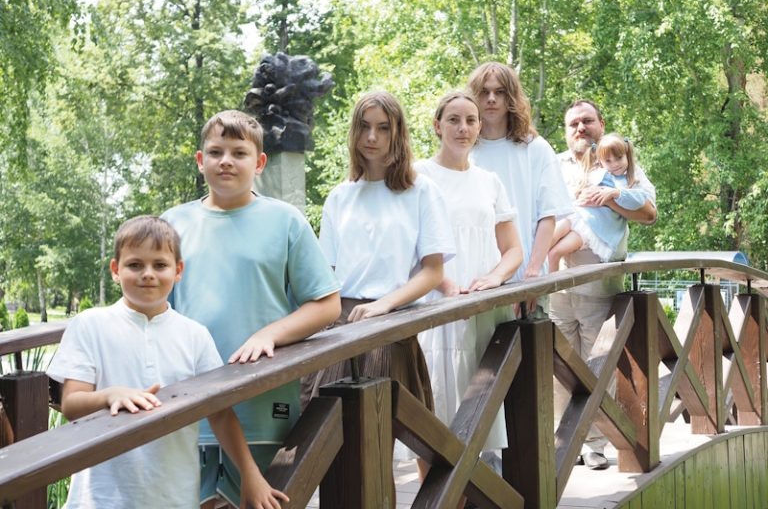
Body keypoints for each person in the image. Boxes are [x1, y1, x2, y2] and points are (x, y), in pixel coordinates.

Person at [162, 110, 341, 508]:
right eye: (216, 152)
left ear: (259, 163)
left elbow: (327, 304)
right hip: (188, 407)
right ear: (200, 160)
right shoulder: (172, 225)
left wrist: (269, 334)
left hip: (263, 406)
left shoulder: (285, 221)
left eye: (239, 153)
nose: (226, 161)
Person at [46, 215, 288, 508]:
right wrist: (110, 395)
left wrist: (251, 474)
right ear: (115, 270)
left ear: (178, 271)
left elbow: (221, 414)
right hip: (100, 498)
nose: (147, 274)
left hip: (174, 497)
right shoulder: (89, 325)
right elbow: (72, 404)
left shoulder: (195, 335)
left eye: (160, 265)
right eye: (135, 265)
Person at [308, 90, 455, 481]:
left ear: (397, 132)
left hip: (391, 322)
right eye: (364, 127)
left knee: (395, 440)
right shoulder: (341, 196)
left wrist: (385, 305)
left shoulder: (421, 191)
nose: (372, 137)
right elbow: (326, 274)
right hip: (340, 325)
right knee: (338, 448)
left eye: (383, 128)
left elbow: (432, 271)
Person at [414, 91, 523, 472]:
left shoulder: (489, 181)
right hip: (438, 306)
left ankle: (482, 491)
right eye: (454, 120)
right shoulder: (419, 176)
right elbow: (410, 245)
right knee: (436, 410)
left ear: (479, 127)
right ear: (437, 125)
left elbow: (513, 250)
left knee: (485, 410)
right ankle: (438, 494)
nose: (463, 128)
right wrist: (446, 286)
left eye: (471, 120)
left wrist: (495, 277)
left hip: (483, 308)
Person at [550, 100, 657, 470]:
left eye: (587, 121)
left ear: (601, 123)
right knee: (558, 368)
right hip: (556, 284)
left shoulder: (618, 160)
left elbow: (648, 213)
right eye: (573, 124)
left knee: (598, 366)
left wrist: (608, 199)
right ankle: (564, 443)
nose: (580, 128)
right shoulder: (555, 165)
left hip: (599, 283)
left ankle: (595, 444)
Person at [467, 61, 572, 311]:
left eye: (499, 92)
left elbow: (548, 215)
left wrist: (533, 273)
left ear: (511, 97)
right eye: (484, 92)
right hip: (475, 284)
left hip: (524, 280)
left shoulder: (535, 148)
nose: (491, 99)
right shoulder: (466, 150)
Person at [548, 133, 653, 271]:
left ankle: (547, 283)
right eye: (608, 161)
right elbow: (579, 192)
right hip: (578, 215)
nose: (615, 164)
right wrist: (585, 194)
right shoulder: (598, 173)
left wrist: (616, 194)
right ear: (601, 162)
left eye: (619, 158)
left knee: (555, 253)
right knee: (548, 242)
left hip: (593, 229)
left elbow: (640, 200)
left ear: (627, 155)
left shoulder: (628, 180)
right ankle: (533, 273)